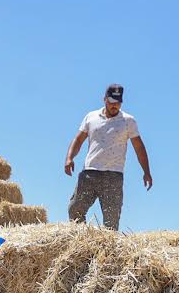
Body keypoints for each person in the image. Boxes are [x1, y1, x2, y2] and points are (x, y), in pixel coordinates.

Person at [64, 83, 153, 230]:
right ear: (104, 99)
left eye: (118, 102)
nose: (114, 106)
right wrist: (69, 158)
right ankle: (82, 240)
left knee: (111, 223)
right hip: (90, 173)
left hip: (113, 176)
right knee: (75, 210)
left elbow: (139, 147)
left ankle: (104, 245)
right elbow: (78, 140)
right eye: (111, 102)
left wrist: (146, 172)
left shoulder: (128, 121)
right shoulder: (91, 117)